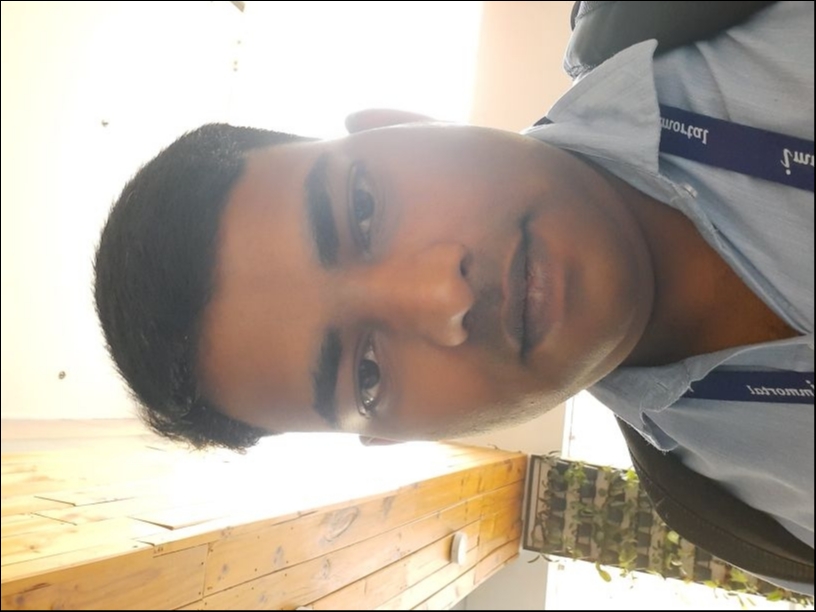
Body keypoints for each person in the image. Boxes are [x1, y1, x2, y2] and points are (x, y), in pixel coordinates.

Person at [94, 0, 813, 594]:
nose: (442, 297)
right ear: (395, 434)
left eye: (363, 208)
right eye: (366, 374)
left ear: (398, 122)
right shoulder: (755, 524)